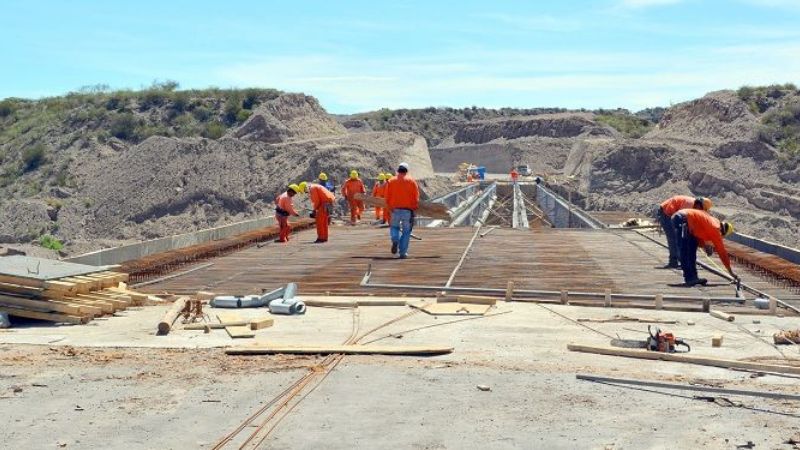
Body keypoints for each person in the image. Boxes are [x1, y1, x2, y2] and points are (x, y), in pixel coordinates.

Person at [671, 208, 737, 286]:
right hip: (683, 219)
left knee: (692, 249)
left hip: (682, 218)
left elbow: (698, 233)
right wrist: (730, 272)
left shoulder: (712, 221)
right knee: (686, 250)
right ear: (723, 232)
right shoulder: (716, 228)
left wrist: (705, 246)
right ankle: (689, 278)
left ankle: (693, 277)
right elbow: (722, 252)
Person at [657, 195, 712, 268]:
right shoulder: (689, 205)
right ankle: (674, 262)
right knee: (674, 239)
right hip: (666, 213)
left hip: (674, 212)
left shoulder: (697, 209)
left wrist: (706, 244)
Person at [384, 162, 419, 259]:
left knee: (394, 227)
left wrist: (389, 208)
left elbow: (386, 197)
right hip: (407, 211)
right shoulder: (411, 181)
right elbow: (415, 197)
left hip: (394, 210)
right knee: (406, 231)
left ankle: (395, 239)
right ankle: (402, 252)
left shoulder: (391, 181)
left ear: (398, 170)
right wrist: (414, 208)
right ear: (407, 171)